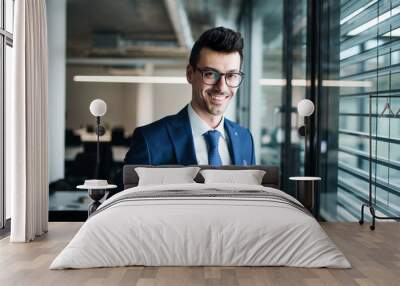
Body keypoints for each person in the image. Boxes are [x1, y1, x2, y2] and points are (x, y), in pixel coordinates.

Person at [124, 26, 255, 166]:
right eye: (210, 74)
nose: (221, 87)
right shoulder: (150, 140)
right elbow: (126, 188)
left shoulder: (245, 138)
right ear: (190, 74)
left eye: (231, 75)